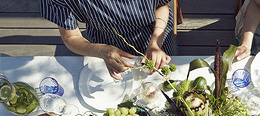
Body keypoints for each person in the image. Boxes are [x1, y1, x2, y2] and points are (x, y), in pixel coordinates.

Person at [40, 0, 178, 80]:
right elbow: (70, 37)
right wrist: (101, 51)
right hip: (107, 44)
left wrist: (155, 43)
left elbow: (162, 5)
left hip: (156, 33)